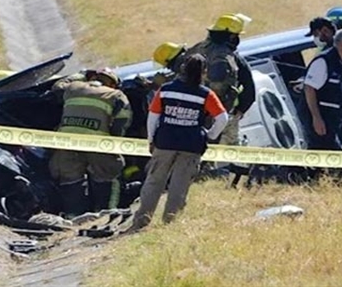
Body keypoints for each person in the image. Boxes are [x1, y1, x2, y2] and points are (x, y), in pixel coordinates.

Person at [129, 54, 228, 230]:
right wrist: (209, 135)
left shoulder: (166, 89)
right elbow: (222, 118)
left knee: (154, 181)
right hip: (191, 145)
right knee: (179, 185)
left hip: (165, 142)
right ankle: (170, 223)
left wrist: (151, 139)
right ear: (204, 72)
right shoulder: (206, 94)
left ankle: (141, 221)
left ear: (182, 69)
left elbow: (153, 116)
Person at [49, 69, 132, 217]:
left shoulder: (73, 88)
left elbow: (57, 87)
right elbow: (122, 123)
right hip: (99, 145)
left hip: (67, 143)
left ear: (91, 77)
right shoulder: (116, 95)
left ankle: (73, 217)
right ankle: (105, 215)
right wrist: (113, 143)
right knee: (107, 176)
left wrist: (80, 74)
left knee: (70, 179)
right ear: (113, 83)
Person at [186, 14, 255, 146]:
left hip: (188, 113)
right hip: (221, 116)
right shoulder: (232, 59)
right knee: (228, 153)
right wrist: (238, 113)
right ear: (231, 37)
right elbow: (249, 90)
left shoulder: (195, 50)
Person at [305, 16, 342, 151]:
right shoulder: (324, 61)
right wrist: (316, 118)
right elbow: (309, 89)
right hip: (322, 120)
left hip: (336, 119)